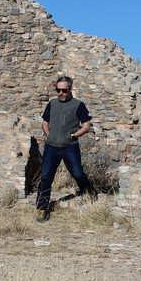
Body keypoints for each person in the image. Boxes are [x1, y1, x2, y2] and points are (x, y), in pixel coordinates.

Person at [35, 75, 96, 221]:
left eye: (64, 90)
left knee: (77, 173)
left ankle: (88, 192)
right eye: (58, 90)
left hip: (70, 146)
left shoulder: (78, 105)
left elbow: (86, 126)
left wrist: (73, 136)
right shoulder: (52, 103)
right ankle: (42, 208)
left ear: (70, 89)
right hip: (51, 147)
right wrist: (49, 135)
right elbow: (45, 122)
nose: (60, 93)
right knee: (45, 177)